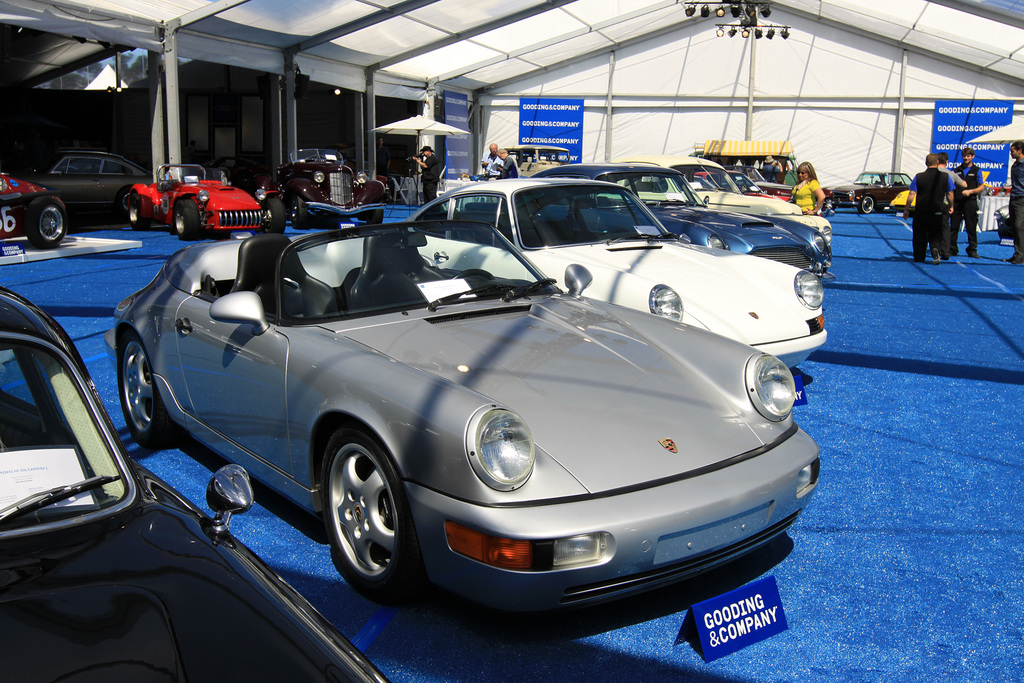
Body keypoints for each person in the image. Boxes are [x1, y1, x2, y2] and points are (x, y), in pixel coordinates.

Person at [903, 153, 955, 265]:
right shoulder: (946, 177)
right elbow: (950, 193)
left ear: (926, 163)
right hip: (937, 210)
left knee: (919, 234)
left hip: (921, 210)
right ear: (937, 162)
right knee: (936, 233)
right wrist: (951, 205)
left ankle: (919, 256)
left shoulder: (919, 176)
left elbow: (912, 193)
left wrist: (907, 209)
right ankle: (935, 249)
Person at [949, 146, 987, 258]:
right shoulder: (956, 170)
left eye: (968, 156)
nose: (966, 158)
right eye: (964, 156)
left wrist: (970, 191)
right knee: (954, 226)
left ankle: (972, 249)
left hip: (970, 202)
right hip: (957, 201)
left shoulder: (977, 171)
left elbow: (981, 187)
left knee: (971, 226)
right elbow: (951, 185)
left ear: (973, 157)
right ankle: (952, 248)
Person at [936, 152, 967, 259]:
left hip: (933, 203)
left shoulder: (933, 172)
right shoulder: (951, 174)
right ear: (947, 162)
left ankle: (935, 248)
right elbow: (964, 184)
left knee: (933, 227)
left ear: (937, 161)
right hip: (945, 203)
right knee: (945, 227)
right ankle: (946, 251)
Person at [1006, 140, 1024, 265]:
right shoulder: (1015, 165)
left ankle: (1020, 254)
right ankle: (1017, 252)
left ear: (1020, 151)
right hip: (1014, 197)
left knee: (1019, 226)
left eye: (1013, 151)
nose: (1011, 153)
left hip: (1022, 198)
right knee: (1014, 226)